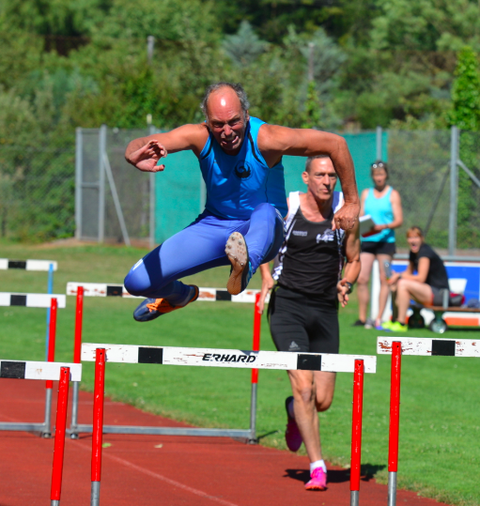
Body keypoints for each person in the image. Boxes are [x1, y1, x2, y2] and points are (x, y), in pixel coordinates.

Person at [123, 82, 359, 322]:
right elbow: (141, 143)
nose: (227, 132)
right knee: (137, 282)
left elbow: (335, 144)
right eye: (218, 124)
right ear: (207, 121)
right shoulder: (198, 136)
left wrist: (351, 201)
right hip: (214, 225)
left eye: (234, 121)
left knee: (265, 210)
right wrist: (134, 156)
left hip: (264, 229)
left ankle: (244, 267)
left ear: (246, 115)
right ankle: (180, 295)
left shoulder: (268, 139)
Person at [258, 155, 360, 491]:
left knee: (323, 400)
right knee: (304, 388)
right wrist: (266, 280)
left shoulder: (345, 215)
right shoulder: (288, 207)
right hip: (288, 308)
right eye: (320, 175)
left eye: (332, 175)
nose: (327, 181)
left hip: (325, 312)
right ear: (306, 177)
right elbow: (263, 246)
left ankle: (292, 411)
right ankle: (318, 466)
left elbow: (355, 259)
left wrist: (347, 282)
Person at [354, 160, 403, 329]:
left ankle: (379, 319)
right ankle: (362, 318)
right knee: (361, 278)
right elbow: (361, 215)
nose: (379, 178)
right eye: (376, 175)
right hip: (368, 241)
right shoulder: (366, 193)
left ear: (386, 175)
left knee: (385, 279)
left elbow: (399, 220)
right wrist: (362, 224)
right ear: (373, 177)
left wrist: (385, 226)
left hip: (386, 243)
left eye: (381, 174)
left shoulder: (393, 194)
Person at [382, 226, 450, 332]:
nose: (413, 241)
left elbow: (421, 278)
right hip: (426, 291)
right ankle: (394, 320)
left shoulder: (425, 252)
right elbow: (407, 273)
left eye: (416, 237)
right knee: (395, 285)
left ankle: (401, 323)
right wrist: (395, 276)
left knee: (403, 284)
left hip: (439, 294)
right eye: (410, 238)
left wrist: (399, 276)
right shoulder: (413, 253)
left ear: (422, 238)